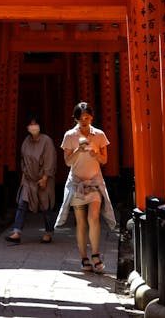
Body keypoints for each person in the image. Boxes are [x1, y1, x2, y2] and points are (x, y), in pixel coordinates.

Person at [56, 101, 116, 273]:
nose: (84, 121)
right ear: (75, 119)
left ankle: (96, 255)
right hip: (77, 182)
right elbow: (67, 162)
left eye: (87, 118)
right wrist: (78, 151)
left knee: (94, 217)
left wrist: (96, 154)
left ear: (92, 117)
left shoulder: (99, 135)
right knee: (81, 221)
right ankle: (84, 258)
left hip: (95, 181)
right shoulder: (70, 136)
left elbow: (104, 160)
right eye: (81, 118)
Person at [6, 116, 57, 244]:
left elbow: (50, 160)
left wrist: (45, 178)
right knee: (22, 204)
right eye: (31, 124)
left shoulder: (46, 141)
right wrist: (24, 176)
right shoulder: (26, 141)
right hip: (28, 179)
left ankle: (48, 232)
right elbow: (23, 160)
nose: (33, 127)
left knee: (46, 207)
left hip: (43, 177)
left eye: (35, 124)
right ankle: (17, 232)